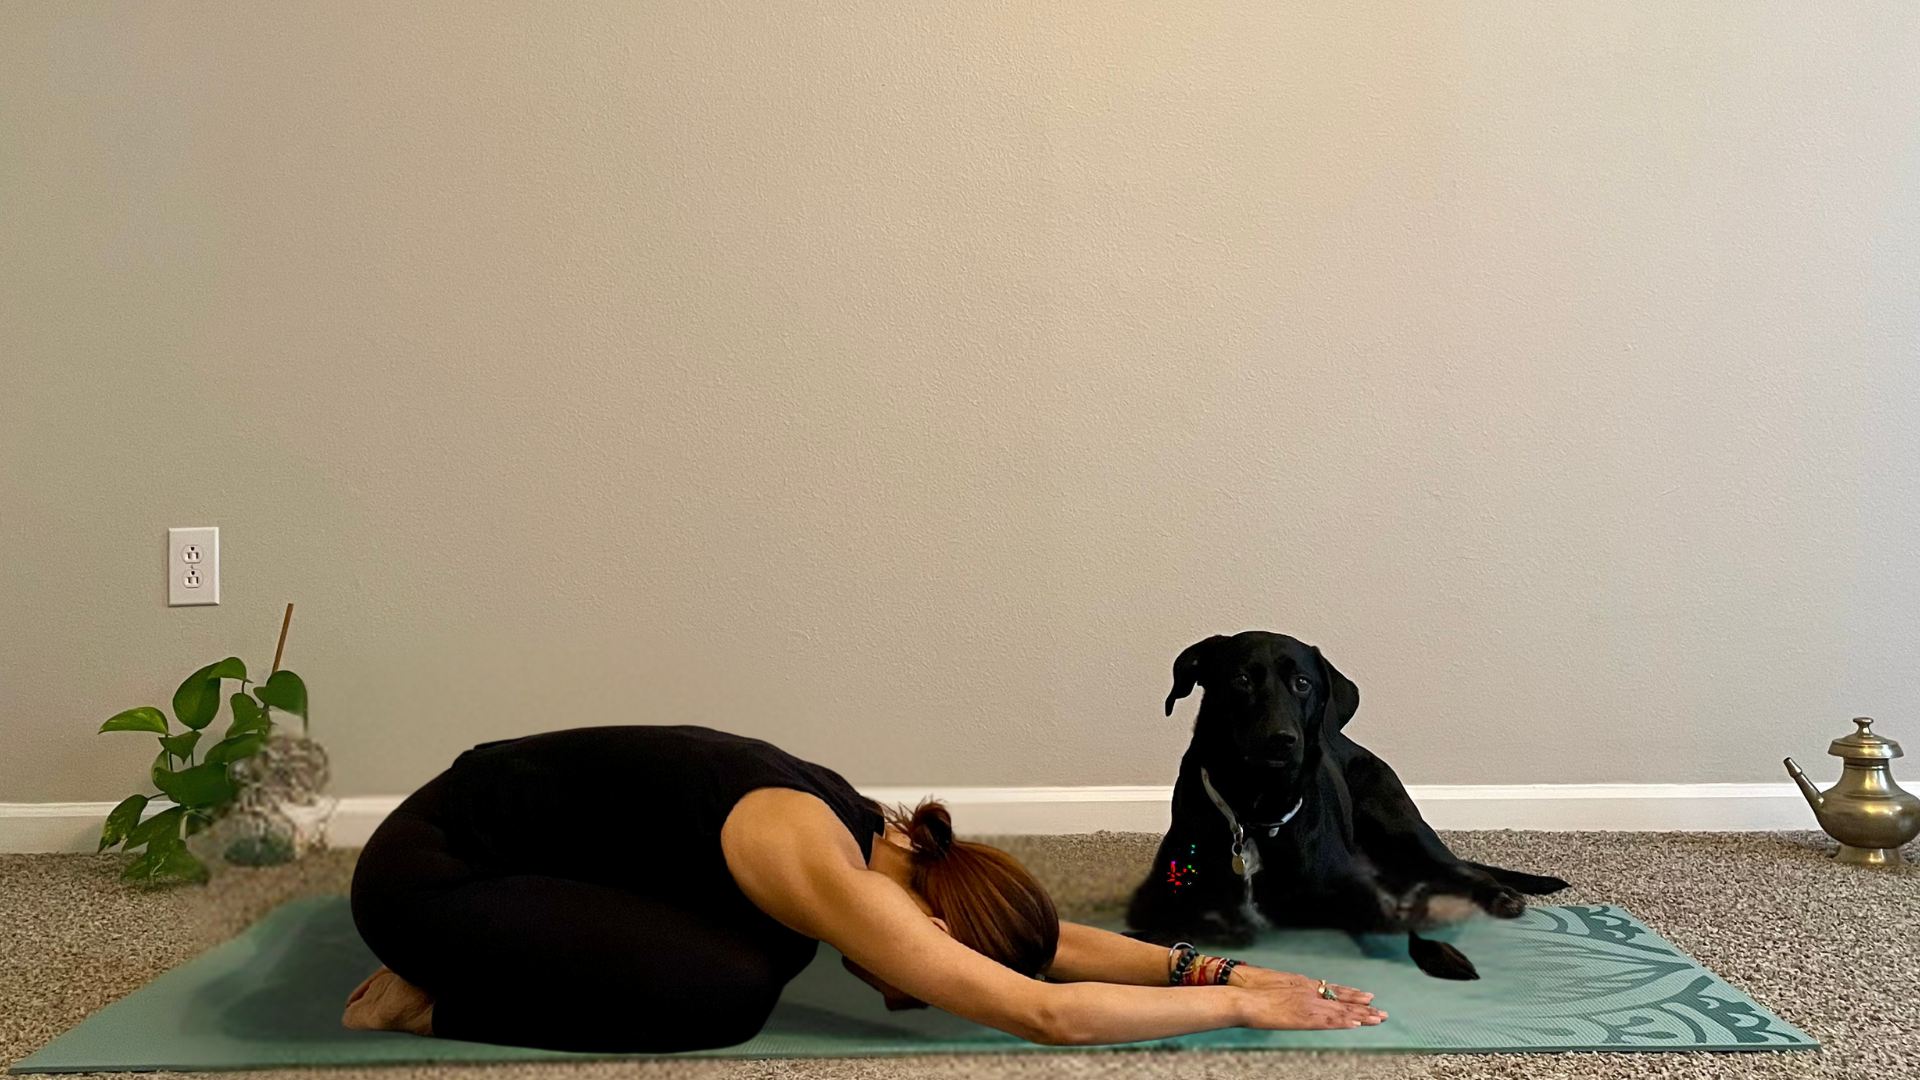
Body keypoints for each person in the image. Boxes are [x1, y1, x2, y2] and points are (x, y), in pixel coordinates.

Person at [343, 725, 1386, 1051]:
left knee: (760, 953)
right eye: (922, 968)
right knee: (722, 995)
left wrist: (1210, 960)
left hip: (552, 855)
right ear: (930, 918)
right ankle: (425, 997)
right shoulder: (826, 863)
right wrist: (1240, 1004)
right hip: (435, 872)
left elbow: (1038, 945)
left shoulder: (893, 845)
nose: (907, 985)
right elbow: (1042, 1010)